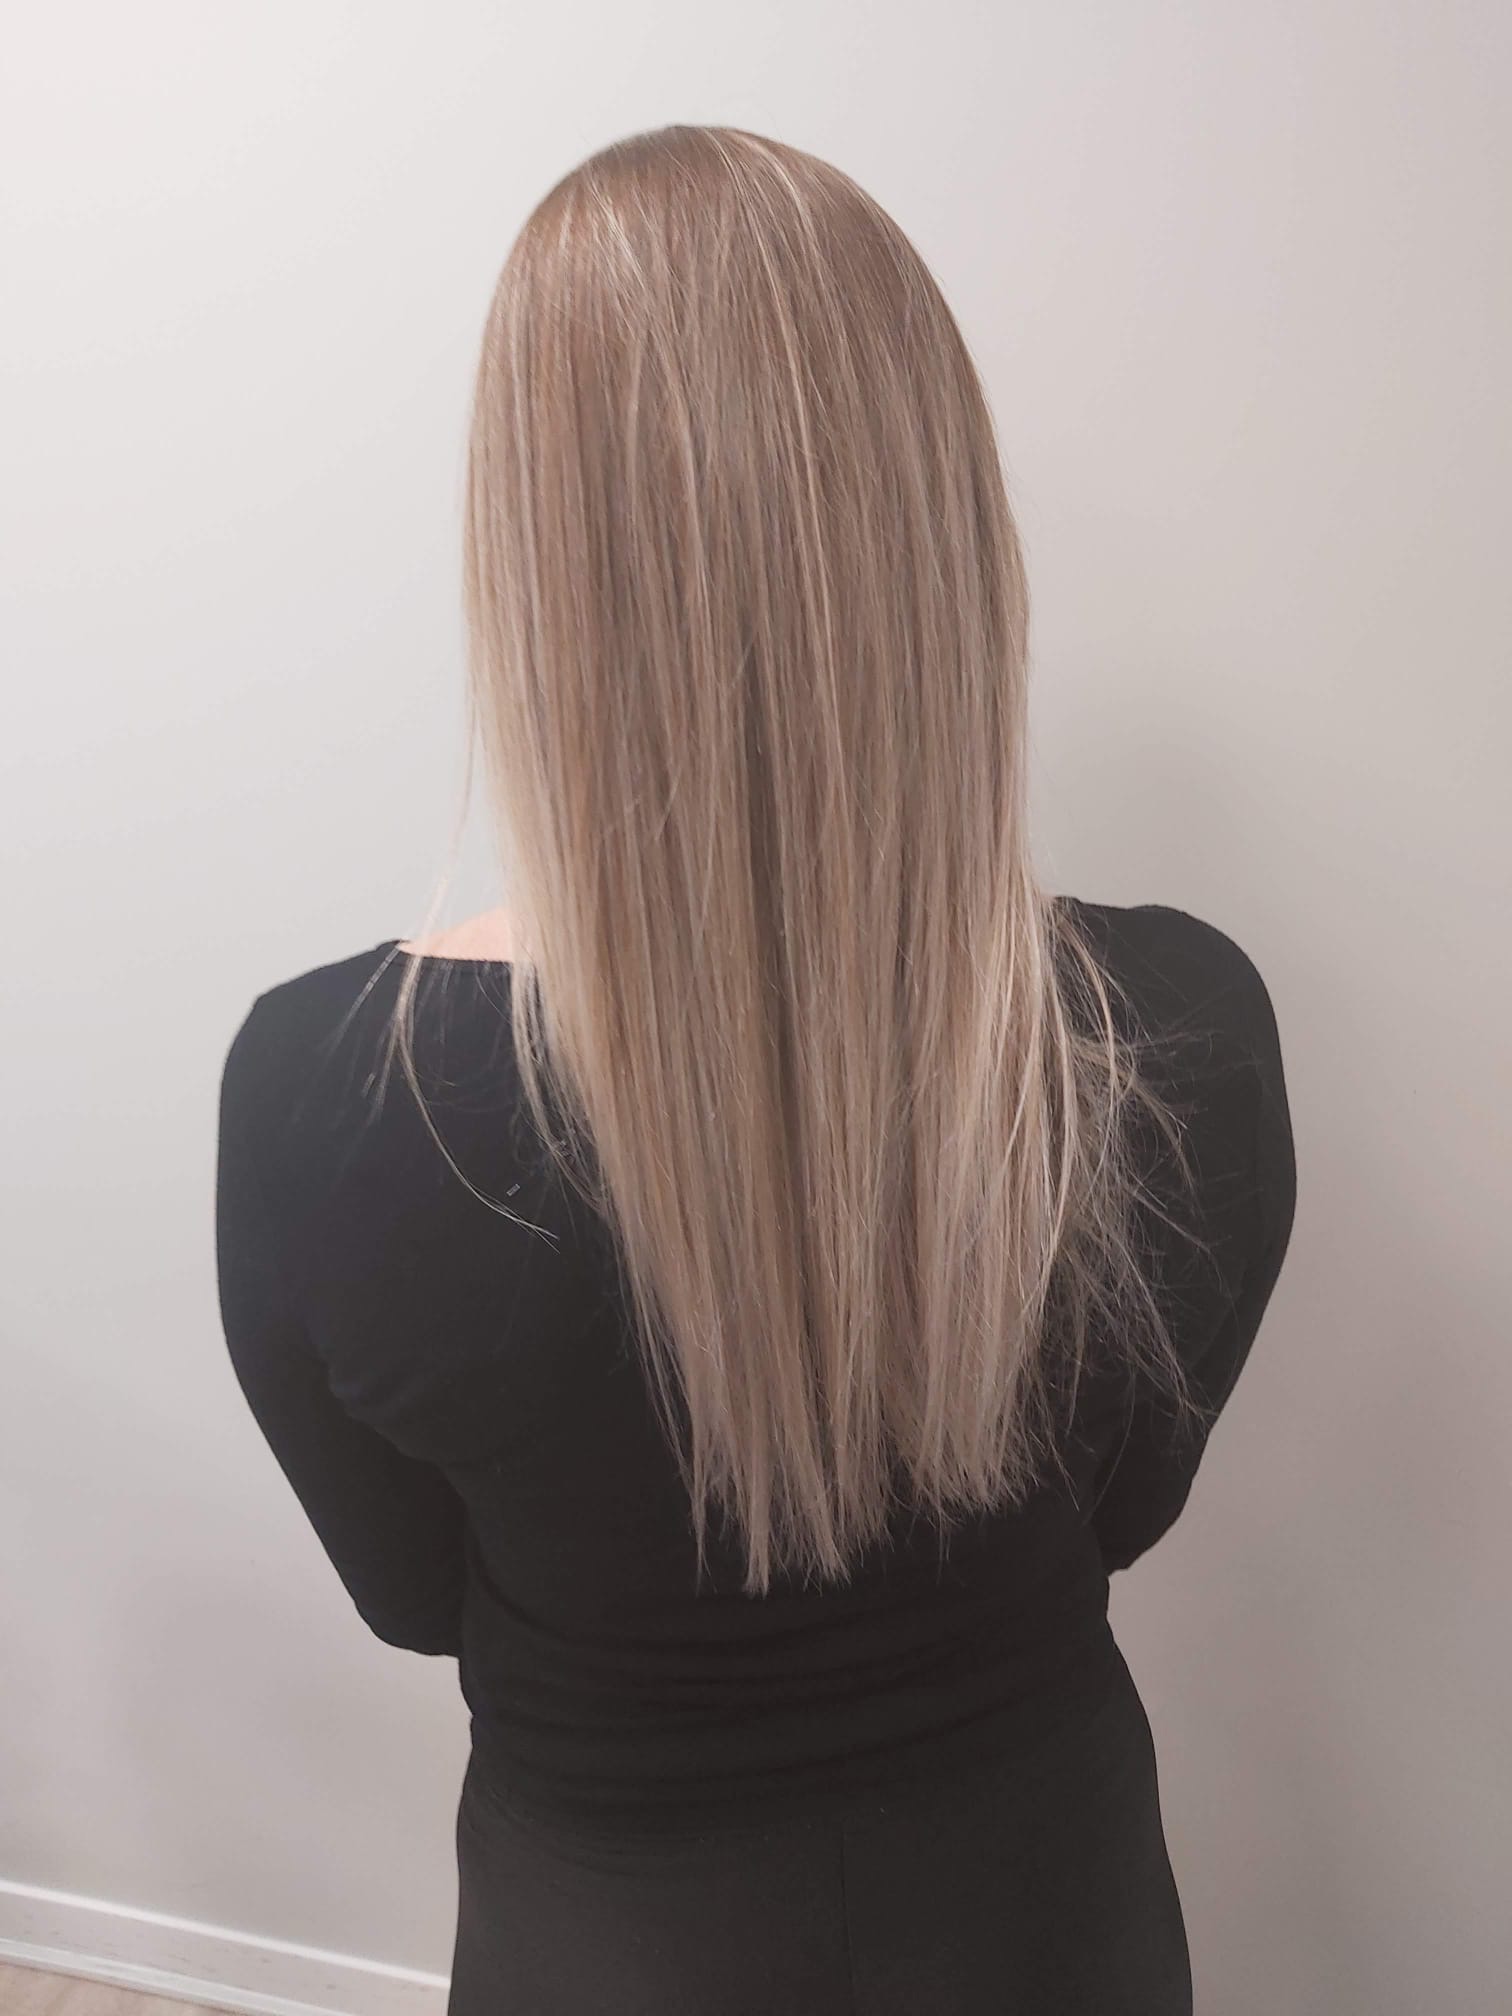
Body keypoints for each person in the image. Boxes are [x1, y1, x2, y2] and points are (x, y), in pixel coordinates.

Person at [215, 124, 1297, 2016]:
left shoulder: (334, 1101)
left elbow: (409, 1597)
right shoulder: (1174, 1029)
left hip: (606, 1931)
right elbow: (1128, 1505)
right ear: (943, 527)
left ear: (535, 569)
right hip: (1050, 1909)